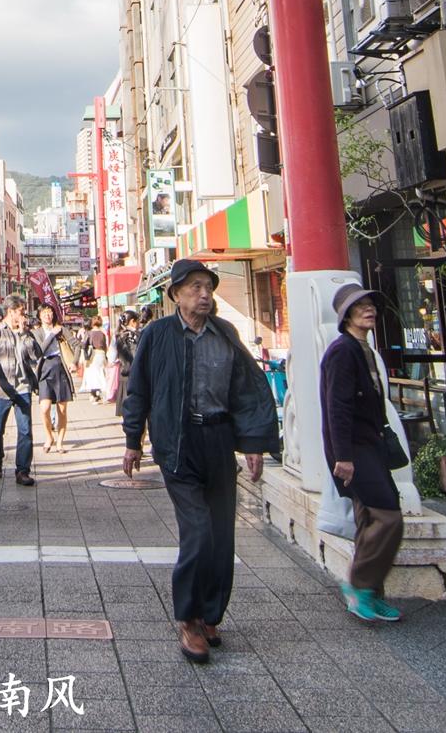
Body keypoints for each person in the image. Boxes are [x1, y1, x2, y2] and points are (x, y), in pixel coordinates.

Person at [122, 258, 281, 664]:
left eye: (208, 287)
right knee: (198, 530)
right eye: (194, 287)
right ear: (175, 294)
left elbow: (246, 390)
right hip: (177, 443)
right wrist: (132, 440)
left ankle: (212, 613)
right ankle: (189, 618)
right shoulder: (157, 334)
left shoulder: (225, 334)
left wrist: (253, 443)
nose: (204, 294)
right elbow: (138, 388)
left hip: (218, 438)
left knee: (222, 533)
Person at [322, 283, 405, 623]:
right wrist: (342, 456)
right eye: (360, 306)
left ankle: (371, 594)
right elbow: (336, 407)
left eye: (371, 304)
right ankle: (361, 585)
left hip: (370, 445)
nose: (368, 309)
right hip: (353, 449)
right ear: (346, 316)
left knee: (368, 519)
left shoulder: (364, 349)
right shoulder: (343, 351)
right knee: (389, 517)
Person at [0, 296, 41, 486]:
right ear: (11, 311)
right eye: (21, 312)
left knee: (25, 431)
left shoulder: (26, 333)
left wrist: (25, 334)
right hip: (2, 388)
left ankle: (22, 470)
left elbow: (35, 356)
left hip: (23, 387)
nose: (23, 315)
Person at [35, 304, 76, 453]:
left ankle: (59, 442)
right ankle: (49, 437)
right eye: (45, 313)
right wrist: (52, 334)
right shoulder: (37, 333)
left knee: (62, 409)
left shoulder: (62, 329)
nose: (48, 315)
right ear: (39, 316)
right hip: (45, 370)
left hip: (60, 368)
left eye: (50, 312)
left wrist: (74, 362)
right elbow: (40, 350)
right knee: (44, 408)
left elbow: (76, 345)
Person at [81, 315, 109, 401]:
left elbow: (84, 345)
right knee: (101, 373)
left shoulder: (89, 333)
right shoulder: (102, 333)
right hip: (101, 354)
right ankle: (101, 392)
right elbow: (105, 346)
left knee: (92, 374)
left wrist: (85, 357)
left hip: (93, 355)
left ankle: (94, 394)